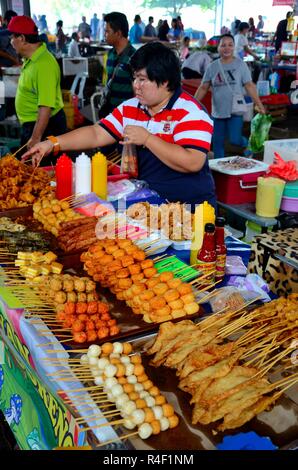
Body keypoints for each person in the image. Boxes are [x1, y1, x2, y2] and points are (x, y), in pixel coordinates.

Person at [23, 42, 216, 209]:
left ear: (165, 82)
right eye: (134, 78)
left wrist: (148, 139)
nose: (135, 85)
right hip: (148, 202)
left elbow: (193, 162)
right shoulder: (132, 107)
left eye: (142, 79)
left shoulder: (191, 112)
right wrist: (53, 143)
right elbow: (96, 133)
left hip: (189, 206)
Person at [195, 33, 266, 159]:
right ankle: (219, 170)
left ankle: (247, 145)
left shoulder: (240, 65)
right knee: (217, 143)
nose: (226, 48)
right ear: (218, 48)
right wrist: (192, 103)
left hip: (235, 110)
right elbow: (203, 87)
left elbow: (249, 85)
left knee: (235, 139)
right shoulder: (212, 66)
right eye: (223, 45)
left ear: (234, 47)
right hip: (218, 112)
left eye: (230, 45)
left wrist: (259, 105)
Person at [8, 15, 67, 158]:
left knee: (42, 174)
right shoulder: (32, 59)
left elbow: (45, 107)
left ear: (21, 38)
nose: (11, 42)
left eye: (12, 37)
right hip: (33, 125)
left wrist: (35, 138)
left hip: (45, 127)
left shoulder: (44, 65)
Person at [103, 12, 136, 115]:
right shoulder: (109, 55)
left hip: (127, 115)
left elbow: (138, 91)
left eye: (107, 31)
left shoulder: (134, 57)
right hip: (110, 114)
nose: (105, 35)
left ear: (118, 33)